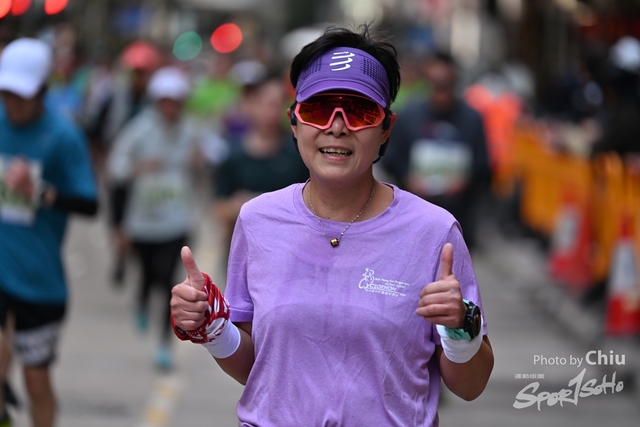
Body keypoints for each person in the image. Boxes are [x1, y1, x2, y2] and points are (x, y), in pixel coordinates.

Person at [170, 25, 493, 426]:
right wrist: (213, 327)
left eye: (359, 111)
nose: (337, 126)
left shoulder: (434, 232)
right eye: (319, 109)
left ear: (386, 129)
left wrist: (461, 329)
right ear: (295, 122)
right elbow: (260, 370)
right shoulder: (258, 220)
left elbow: (471, 386)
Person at [0, 38, 98, 427]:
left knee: (36, 382)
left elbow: (90, 204)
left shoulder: (63, 136)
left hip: (39, 280)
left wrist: (40, 192)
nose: (12, 103)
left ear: (43, 90)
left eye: (21, 96)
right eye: (6, 94)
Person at [106, 66, 201, 371]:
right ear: (157, 102)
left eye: (176, 102)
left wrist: (200, 160)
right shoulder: (139, 129)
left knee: (169, 279)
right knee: (148, 274)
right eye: (166, 101)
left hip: (177, 220)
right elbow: (115, 166)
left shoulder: (191, 131)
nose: (171, 108)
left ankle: (163, 344)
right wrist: (139, 167)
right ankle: (141, 301)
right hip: (144, 221)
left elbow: (214, 156)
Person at [382, 51, 491, 251]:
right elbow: (391, 159)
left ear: (454, 82)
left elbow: (483, 164)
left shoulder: (472, 119)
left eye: (445, 84)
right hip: (413, 221)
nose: (440, 91)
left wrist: (464, 181)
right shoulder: (408, 117)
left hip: (458, 221)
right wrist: (408, 178)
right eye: (435, 83)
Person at [213, 74, 309, 251]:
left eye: (278, 103)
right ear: (252, 105)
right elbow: (220, 206)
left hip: (290, 245)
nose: (272, 111)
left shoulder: (298, 151)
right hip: (248, 246)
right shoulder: (233, 154)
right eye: (267, 103)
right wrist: (239, 205)